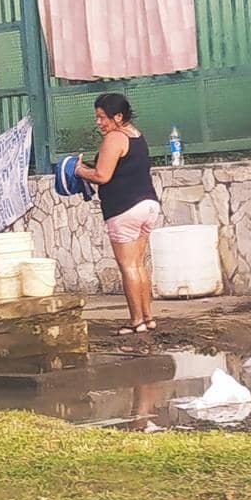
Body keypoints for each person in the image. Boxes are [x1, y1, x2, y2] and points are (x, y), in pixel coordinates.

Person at [74, 93, 160, 335]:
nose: (99, 122)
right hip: (148, 205)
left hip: (124, 209)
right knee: (139, 265)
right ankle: (148, 317)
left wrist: (79, 170)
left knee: (128, 267)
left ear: (118, 117)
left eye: (102, 117)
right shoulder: (136, 135)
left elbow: (102, 175)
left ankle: (136, 322)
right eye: (97, 117)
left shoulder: (115, 138)